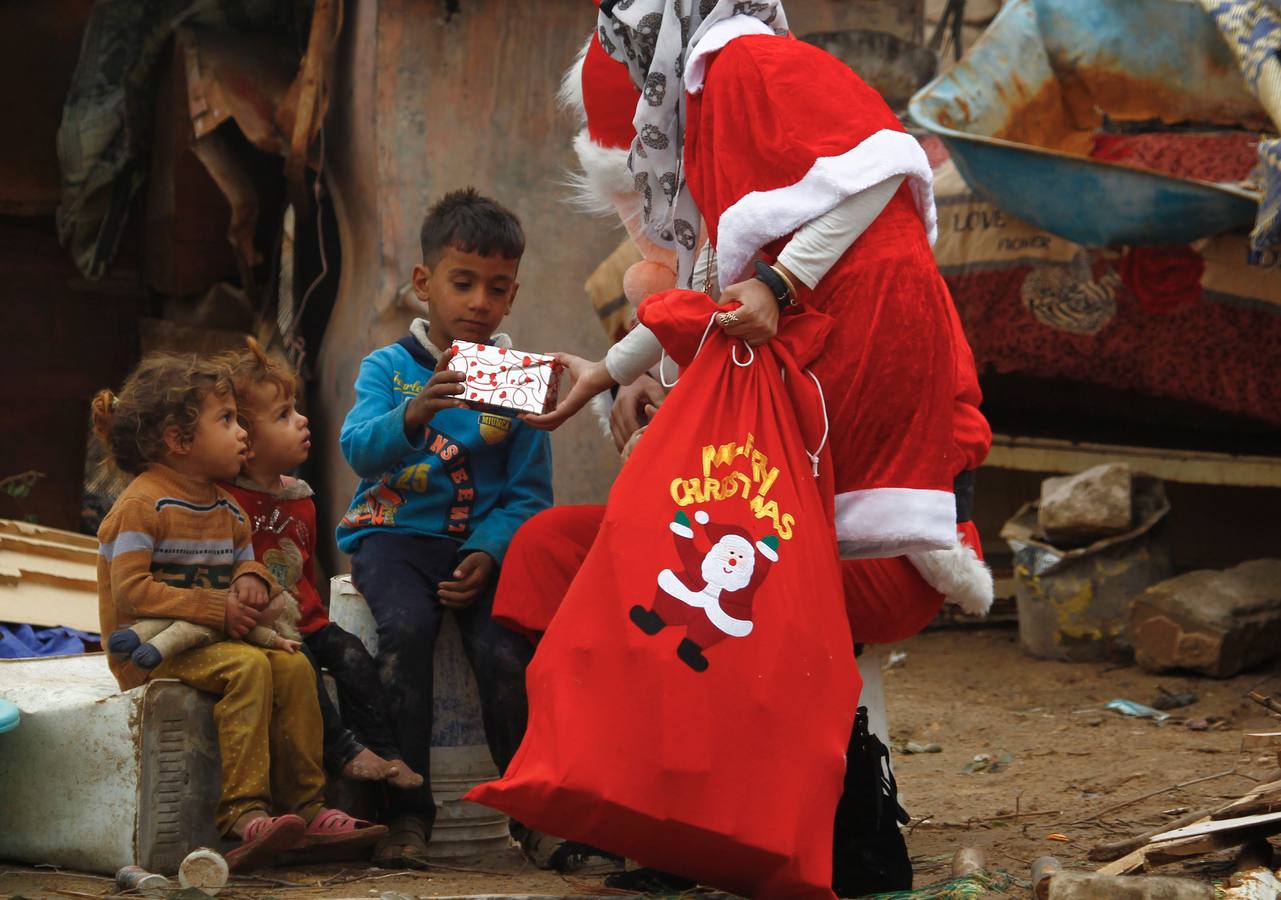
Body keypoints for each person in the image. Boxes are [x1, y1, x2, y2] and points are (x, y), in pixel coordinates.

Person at [92, 353, 384, 873]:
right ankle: (244, 814)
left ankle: (307, 808)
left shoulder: (226, 510)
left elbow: (250, 568)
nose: (241, 433)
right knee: (247, 667)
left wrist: (253, 579)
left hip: (215, 639)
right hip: (148, 652)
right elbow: (132, 591)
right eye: (226, 420)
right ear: (179, 441)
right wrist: (215, 606)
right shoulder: (143, 505)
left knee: (295, 666)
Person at [335, 188, 554, 868]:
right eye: (463, 283)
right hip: (394, 538)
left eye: (496, 288)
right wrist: (411, 415)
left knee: (504, 651)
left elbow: (528, 496)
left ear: (512, 296)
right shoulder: (389, 368)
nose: (478, 303)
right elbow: (358, 451)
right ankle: (406, 815)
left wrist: (489, 551)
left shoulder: (517, 380)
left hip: (474, 552)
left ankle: (534, 814)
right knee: (407, 631)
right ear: (425, 284)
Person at [217, 337, 423, 791]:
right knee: (305, 668)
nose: (303, 420)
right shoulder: (225, 503)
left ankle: (386, 753)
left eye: (296, 409)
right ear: (246, 445)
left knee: (354, 656)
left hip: (306, 619)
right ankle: (344, 754)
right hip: (265, 627)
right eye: (284, 416)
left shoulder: (300, 499)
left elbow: (305, 576)